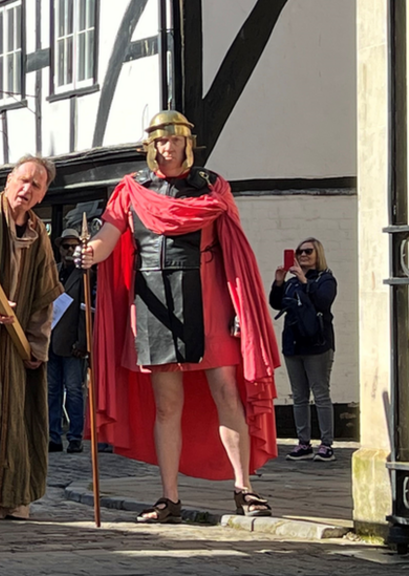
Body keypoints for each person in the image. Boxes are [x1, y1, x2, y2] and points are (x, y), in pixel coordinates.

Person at [77, 111, 279, 523]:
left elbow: (233, 250)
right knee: (167, 405)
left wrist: (240, 309)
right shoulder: (132, 189)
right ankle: (169, 498)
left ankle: (244, 488)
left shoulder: (211, 186)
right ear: (150, 147)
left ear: (187, 143)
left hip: (209, 298)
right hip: (153, 302)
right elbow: (109, 235)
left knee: (227, 393)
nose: (167, 148)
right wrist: (89, 253)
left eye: (174, 141)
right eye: (160, 142)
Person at [0, 155, 63, 519]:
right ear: (8, 180)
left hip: (15, 341)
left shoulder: (38, 234)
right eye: (23, 180)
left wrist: (36, 344)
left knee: (13, 414)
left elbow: (45, 293)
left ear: (43, 194)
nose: (27, 189)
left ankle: (9, 496)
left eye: (36, 185)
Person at [270, 238, 338, 462]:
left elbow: (323, 302)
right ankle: (303, 443)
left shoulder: (325, 279)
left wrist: (304, 280)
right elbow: (277, 304)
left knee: (320, 393)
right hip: (293, 344)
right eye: (299, 252)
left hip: (317, 344)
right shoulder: (292, 283)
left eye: (308, 251)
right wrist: (279, 282)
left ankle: (326, 444)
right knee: (299, 396)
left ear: (318, 254)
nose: (303, 255)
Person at [47, 228, 88, 453]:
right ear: (60, 249)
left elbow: (86, 311)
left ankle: (75, 437)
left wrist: (83, 342)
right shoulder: (52, 271)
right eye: (66, 246)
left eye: (74, 246)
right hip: (51, 340)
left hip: (72, 343)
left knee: (73, 390)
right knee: (52, 390)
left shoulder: (85, 274)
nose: (70, 250)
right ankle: (53, 436)